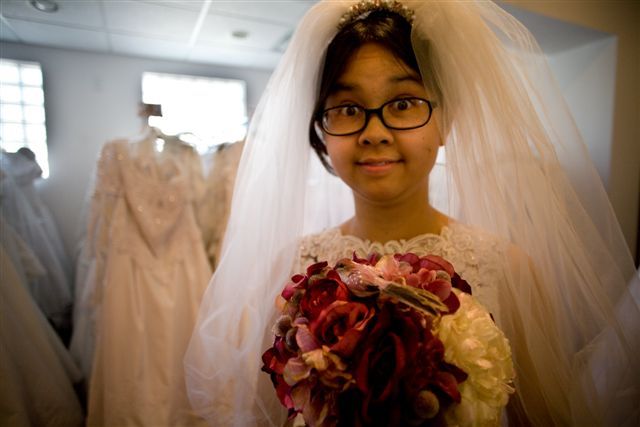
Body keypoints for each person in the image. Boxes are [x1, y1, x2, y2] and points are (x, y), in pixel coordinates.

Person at [184, 1, 640, 426]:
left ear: (446, 121)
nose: (374, 132)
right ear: (322, 131)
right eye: (347, 109)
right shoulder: (288, 268)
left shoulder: (509, 270)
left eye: (403, 103)